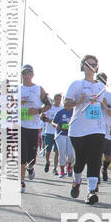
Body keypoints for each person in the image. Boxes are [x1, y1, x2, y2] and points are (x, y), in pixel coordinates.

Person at [64, 54, 111, 204]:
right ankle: (76, 181)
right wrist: (77, 101)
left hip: (97, 128)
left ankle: (91, 192)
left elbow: (100, 102)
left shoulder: (100, 86)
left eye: (94, 64)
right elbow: (66, 104)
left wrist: (107, 109)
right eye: (88, 64)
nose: (91, 66)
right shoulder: (76, 84)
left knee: (94, 159)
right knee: (81, 160)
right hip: (78, 129)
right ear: (83, 67)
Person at [20, 64, 51, 192]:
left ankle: (30, 168)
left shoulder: (38, 89)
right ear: (21, 75)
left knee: (31, 157)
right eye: (24, 73)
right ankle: (21, 182)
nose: (26, 76)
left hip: (34, 126)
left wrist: (38, 110)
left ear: (32, 75)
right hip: (20, 125)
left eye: (28, 73)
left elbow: (48, 105)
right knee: (21, 155)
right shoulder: (16, 90)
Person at [97, 72, 111, 182]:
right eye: (99, 79)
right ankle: (96, 175)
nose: (101, 81)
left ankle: (105, 168)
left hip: (108, 130)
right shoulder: (93, 95)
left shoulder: (110, 95)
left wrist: (106, 105)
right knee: (97, 154)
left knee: (108, 156)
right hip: (96, 129)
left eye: (103, 80)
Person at [41, 94, 62, 174]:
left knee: (57, 151)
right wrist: (49, 120)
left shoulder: (62, 108)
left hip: (58, 133)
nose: (58, 100)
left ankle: (55, 168)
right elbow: (41, 117)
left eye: (59, 99)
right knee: (48, 151)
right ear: (54, 99)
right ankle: (48, 162)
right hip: (49, 132)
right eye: (57, 99)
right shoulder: (49, 108)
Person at [53, 104, 74, 177]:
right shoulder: (60, 112)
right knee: (62, 153)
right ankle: (62, 171)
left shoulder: (74, 111)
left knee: (71, 154)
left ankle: (69, 165)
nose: (68, 104)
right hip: (61, 134)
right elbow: (53, 122)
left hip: (70, 134)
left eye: (69, 102)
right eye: (66, 103)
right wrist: (56, 126)